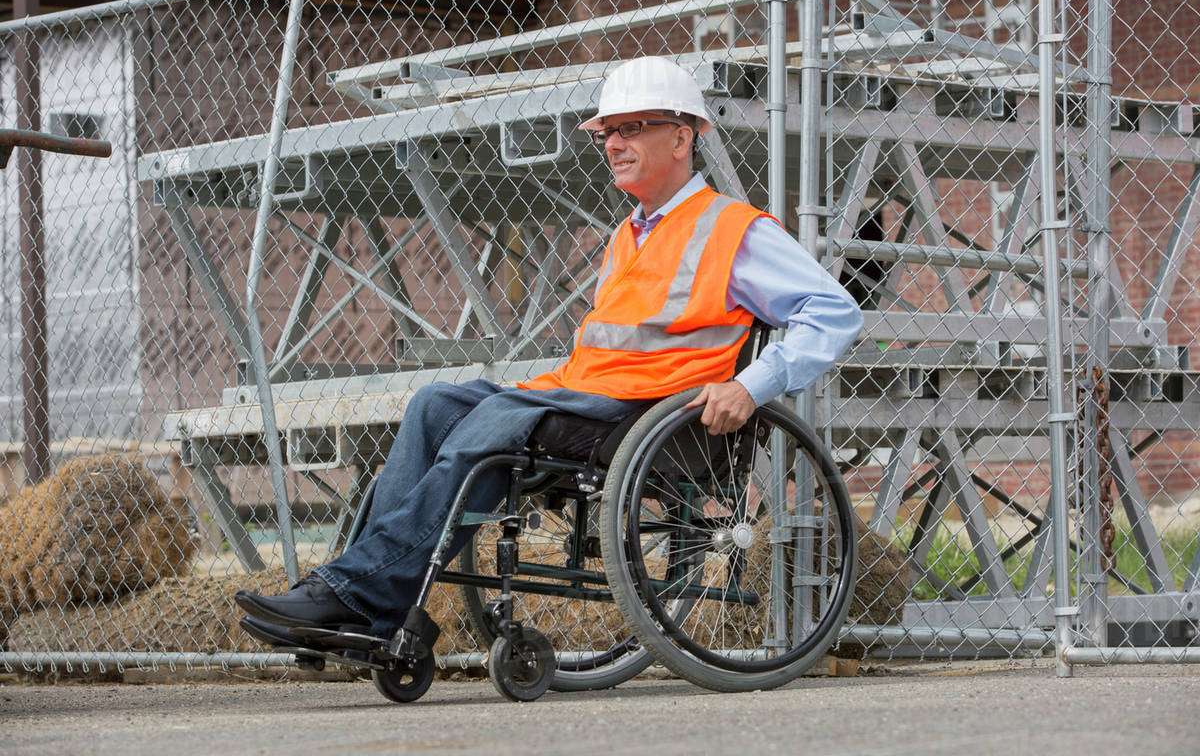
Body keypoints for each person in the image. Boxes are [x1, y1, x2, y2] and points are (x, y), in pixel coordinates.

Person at [235, 55, 863, 640]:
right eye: (606, 133)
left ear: (681, 137)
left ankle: (359, 596)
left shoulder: (733, 229)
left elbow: (834, 312)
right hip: (592, 399)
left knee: (496, 423)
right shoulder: (629, 236)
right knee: (434, 405)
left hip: (656, 417)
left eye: (630, 128)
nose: (612, 144)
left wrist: (751, 387)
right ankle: (378, 602)